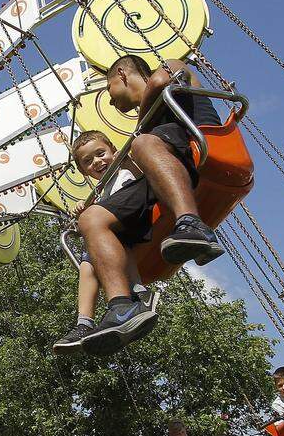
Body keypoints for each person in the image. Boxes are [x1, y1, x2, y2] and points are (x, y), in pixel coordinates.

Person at [78, 56, 224, 354]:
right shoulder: (148, 134)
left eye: (109, 89)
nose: (110, 99)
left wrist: (141, 128)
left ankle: (192, 224)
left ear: (122, 74)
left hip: (198, 146)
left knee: (142, 144)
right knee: (92, 219)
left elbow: (160, 80)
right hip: (164, 168)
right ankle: (122, 306)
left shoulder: (170, 66)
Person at [53, 131, 157, 354]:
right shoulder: (102, 192)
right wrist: (85, 206)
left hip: (140, 212)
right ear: (83, 171)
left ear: (112, 150)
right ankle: (84, 323)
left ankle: (136, 293)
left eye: (101, 154)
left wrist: (127, 160)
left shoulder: (124, 169)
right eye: (88, 162)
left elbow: (145, 176)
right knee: (87, 262)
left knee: (103, 234)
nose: (97, 162)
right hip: (120, 228)